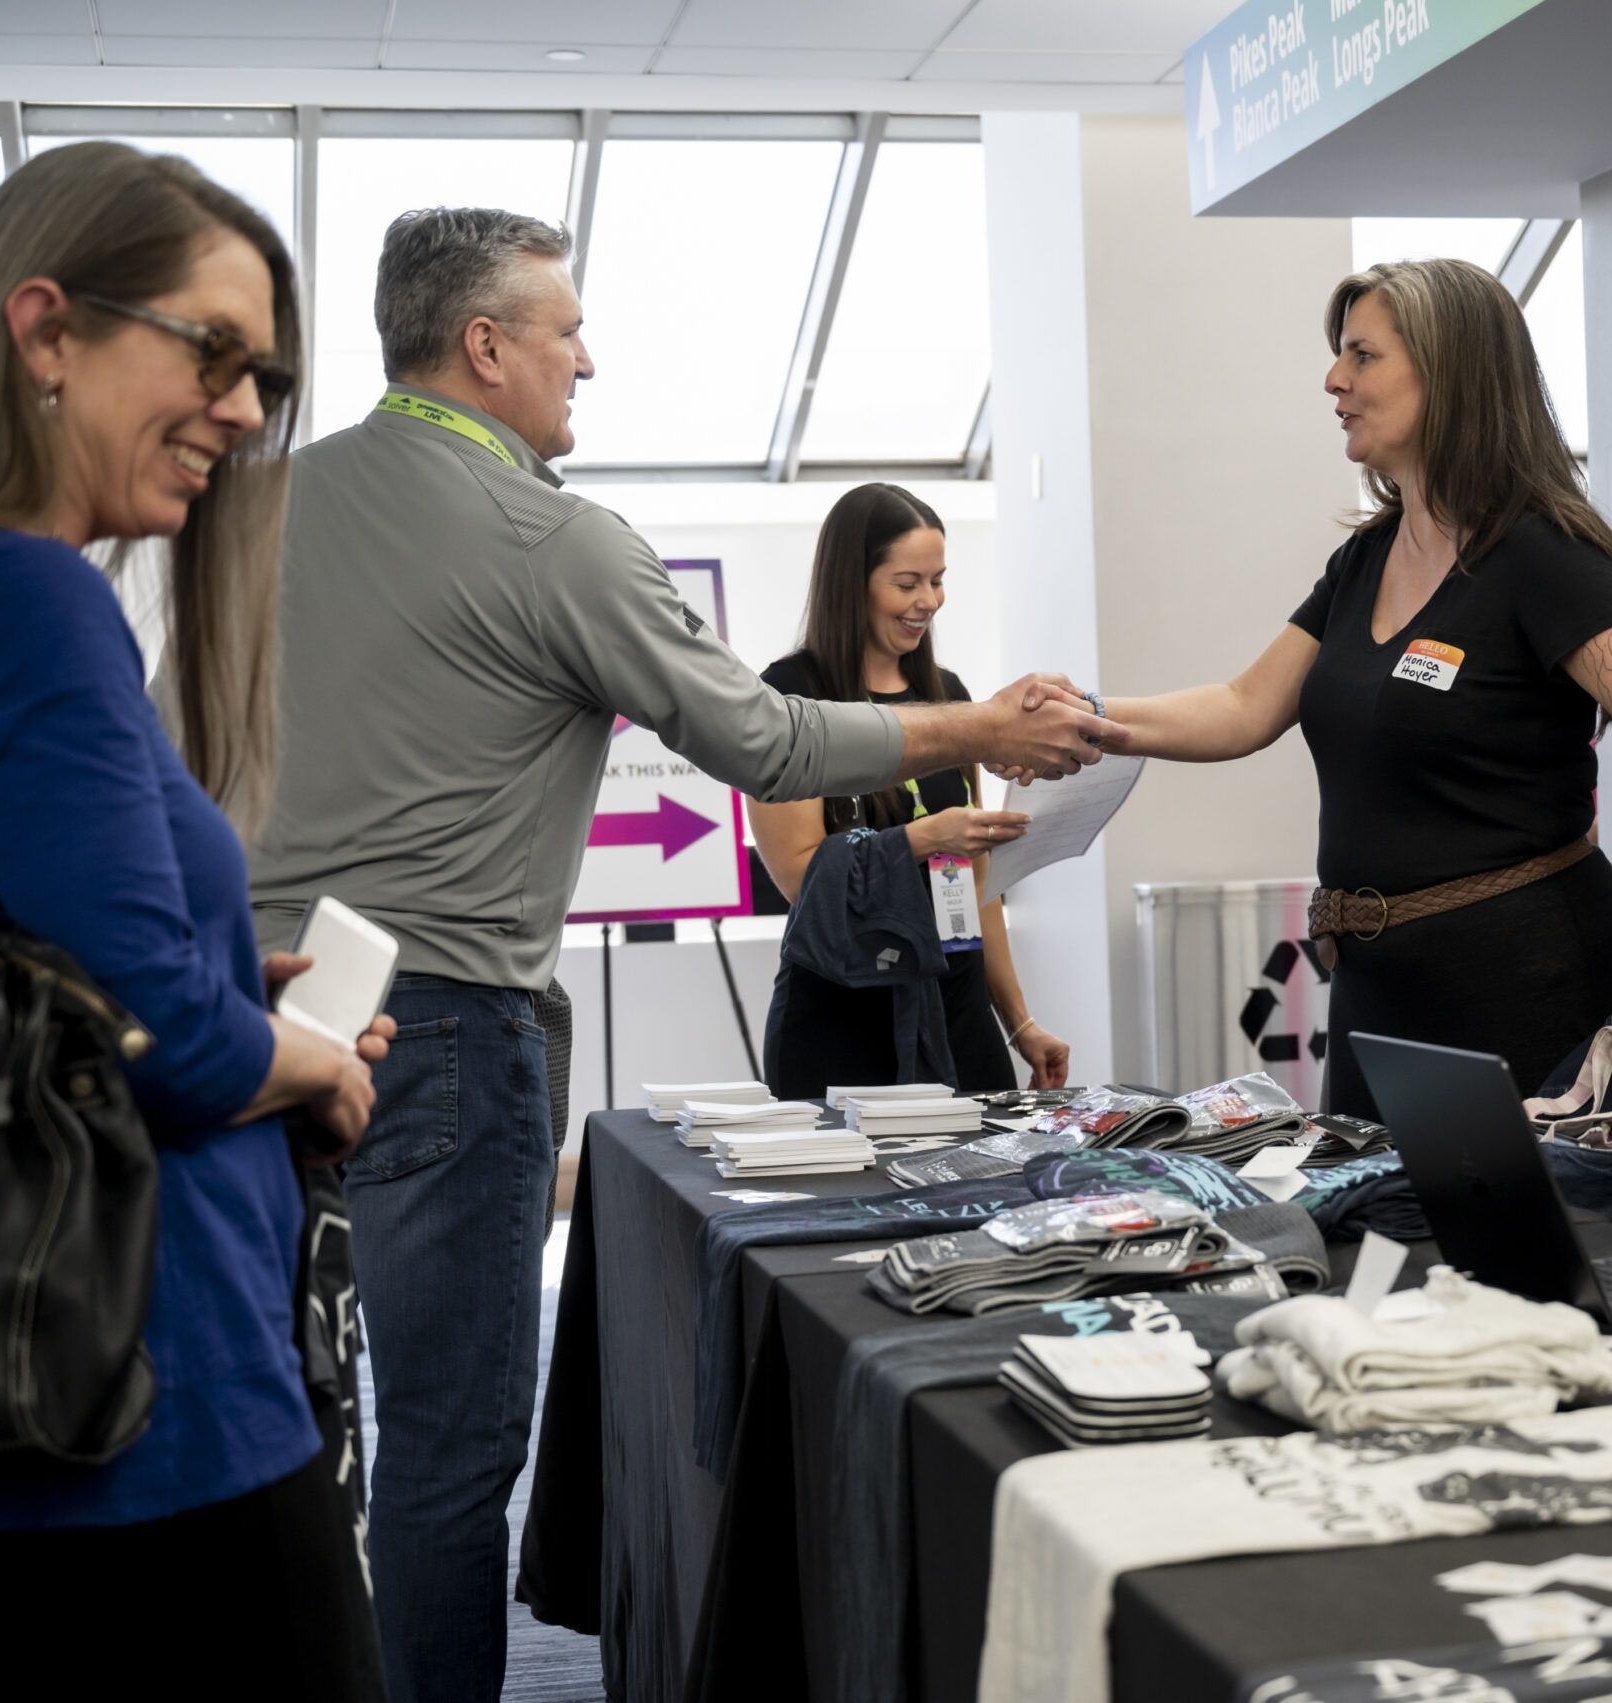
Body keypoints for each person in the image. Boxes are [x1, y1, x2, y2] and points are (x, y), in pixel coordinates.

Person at [246, 207, 1115, 1703]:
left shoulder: (263, 507)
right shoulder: (552, 533)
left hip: (266, 1015)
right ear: (485, 346)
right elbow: (760, 738)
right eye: (567, 330)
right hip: (446, 1023)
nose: (587, 359)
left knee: (298, 1432)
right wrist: (980, 729)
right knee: (449, 1455)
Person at [0, 142, 393, 1695]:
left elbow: (23, 970)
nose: (243, 410)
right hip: (143, 1403)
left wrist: (233, 983)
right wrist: (310, 1060)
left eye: (264, 376)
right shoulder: (22, 598)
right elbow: (157, 1037)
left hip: (15, 1399)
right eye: (214, 351)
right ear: (47, 330)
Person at [1094, 258, 1612, 1118]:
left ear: (1448, 374)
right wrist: (1089, 720)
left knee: (1518, 1212)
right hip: (1376, 993)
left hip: (1526, 989)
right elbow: (1244, 706)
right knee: (1367, 1206)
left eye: (1363, 355)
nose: (1334, 380)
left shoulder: (1539, 553)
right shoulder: (1364, 559)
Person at [751, 484, 1070, 1098]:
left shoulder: (950, 695)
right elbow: (798, 878)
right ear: (852, 584)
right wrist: (923, 839)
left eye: (938, 580)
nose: (929, 601)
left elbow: (978, 886)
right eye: (907, 583)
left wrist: (1020, 1023)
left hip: (958, 1015)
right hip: (841, 1019)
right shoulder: (789, 697)